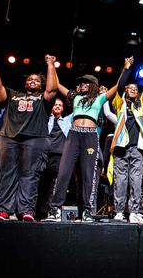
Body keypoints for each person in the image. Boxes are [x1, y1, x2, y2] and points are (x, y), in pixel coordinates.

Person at [44, 62, 123, 222]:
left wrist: (126, 69)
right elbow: (57, 85)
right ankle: (55, 210)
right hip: (73, 135)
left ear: (93, 85)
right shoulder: (75, 97)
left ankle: (86, 211)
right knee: (64, 172)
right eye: (81, 82)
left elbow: (118, 86)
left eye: (86, 82)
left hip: (90, 136)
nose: (82, 85)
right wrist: (51, 65)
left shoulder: (100, 98)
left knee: (88, 175)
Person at [0, 46, 57, 221]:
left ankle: (26, 210)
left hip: (35, 138)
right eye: (30, 79)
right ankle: (4, 210)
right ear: (25, 83)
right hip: (8, 137)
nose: (33, 81)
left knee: (30, 174)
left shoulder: (43, 98)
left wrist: (51, 64)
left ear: (40, 85)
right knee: (6, 173)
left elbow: (52, 90)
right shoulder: (13, 94)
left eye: (36, 80)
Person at [110, 55, 143, 224]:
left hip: (137, 148)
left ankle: (134, 212)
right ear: (125, 91)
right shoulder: (119, 103)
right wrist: (127, 68)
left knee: (136, 181)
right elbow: (119, 86)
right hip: (120, 147)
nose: (133, 90)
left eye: (135, 89)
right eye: (130, 88)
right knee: (121, 181)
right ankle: (118, 211)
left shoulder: (141, 104)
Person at [36, 98, 73, 219]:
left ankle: (51, 211)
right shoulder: (45, 119)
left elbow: (77, 112)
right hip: (44, 155)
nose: (57, 106)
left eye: (60, 105)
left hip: (60, 157)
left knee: (55, 185)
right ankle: (37, 211)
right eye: (55, 104)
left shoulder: (67, 120)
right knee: (41, 184)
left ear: (63, 108)